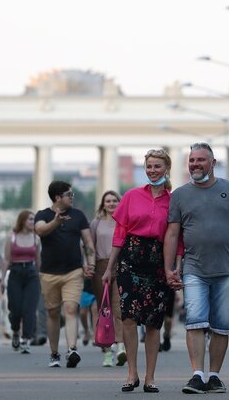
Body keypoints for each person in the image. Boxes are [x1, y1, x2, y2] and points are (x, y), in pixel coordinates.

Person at [164, 142, 229, 394]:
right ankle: (197, 375)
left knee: (221, 324)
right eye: (192, 160)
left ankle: (214, 376)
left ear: (213, 163)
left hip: (227, 270)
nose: (195, 164)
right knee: (195, 321)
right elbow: (172, 233)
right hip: (194, 269)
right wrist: (169, 267)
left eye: (201, 160)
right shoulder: (180, 195)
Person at [103, 148, 181, 393]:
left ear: (166, 169)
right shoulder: (131, 196)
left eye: (157, 166)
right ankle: (132, 373)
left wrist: (175, 267)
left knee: (153, 322)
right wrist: (109, 268)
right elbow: (119, 234)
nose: (152, 171)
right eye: (148, 166)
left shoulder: (174, 201)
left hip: (158, 262)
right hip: (130, 261)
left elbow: (178, 238)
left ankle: (150, 377)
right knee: (128, 317)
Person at [35, 181, 96, 368]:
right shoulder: (43, 215)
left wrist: (90, 264)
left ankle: (72, 349)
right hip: (49, 273)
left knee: (70, 309)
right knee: (53, 313)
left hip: (73, 271)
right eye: (69, 194)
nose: (72, 197)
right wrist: (56, 222)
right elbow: (40, 230)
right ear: (57, 198)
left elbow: (88, 243)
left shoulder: (78, 216)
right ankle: (54, 353)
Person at [90, 190, 126, 367]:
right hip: (101, 266)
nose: (111, 204)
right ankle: (106, 351)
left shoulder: (124, 221)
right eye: (108, 201)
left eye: (114, 201)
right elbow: (89, 246)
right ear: (103, 204)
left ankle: (120, 346)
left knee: (119, 307)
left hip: (121, 266)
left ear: (120, 203)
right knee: (103, 308)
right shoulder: (96, 223)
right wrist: (88, 265)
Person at [3, 209, 41, 354]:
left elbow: (38, 261)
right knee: (15, 309)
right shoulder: (11, 237)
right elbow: (6, 259)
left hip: (31, 274)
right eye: (30, 219)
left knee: (29, 310)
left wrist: (41, 277)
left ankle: (26, 340)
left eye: (34, 219)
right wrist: (1, 279)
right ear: (23, 221)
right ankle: (15, 332)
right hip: (15, 273)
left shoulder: (35, 238)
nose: (33, 222)